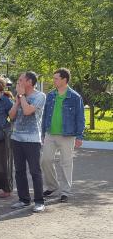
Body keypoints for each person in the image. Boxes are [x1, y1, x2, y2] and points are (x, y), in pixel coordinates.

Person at [41, 68, 85, 203]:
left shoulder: (75, 97)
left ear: (64, 80)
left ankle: (65, 191)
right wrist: (43, 132)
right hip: (50, 134)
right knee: (45, 160)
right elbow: (45, 114)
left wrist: (79, 136)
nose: (53, 80)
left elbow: (80, 117)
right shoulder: (50, 95)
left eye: (56, 78)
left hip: (68, 135)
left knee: (66, 163)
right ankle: (52, 186)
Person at [9, 71, 46, 212]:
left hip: (32, 139)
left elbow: (28, 111)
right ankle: (23, 199)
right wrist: (17, 101)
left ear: (29, 82)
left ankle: (39, 201)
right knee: (19, 171)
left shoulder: (40, 96)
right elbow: (11, 116)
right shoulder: (20, 96)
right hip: (16, 138)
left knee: (35, 171)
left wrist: (22, 97)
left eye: (20, 80)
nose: (18, 82)